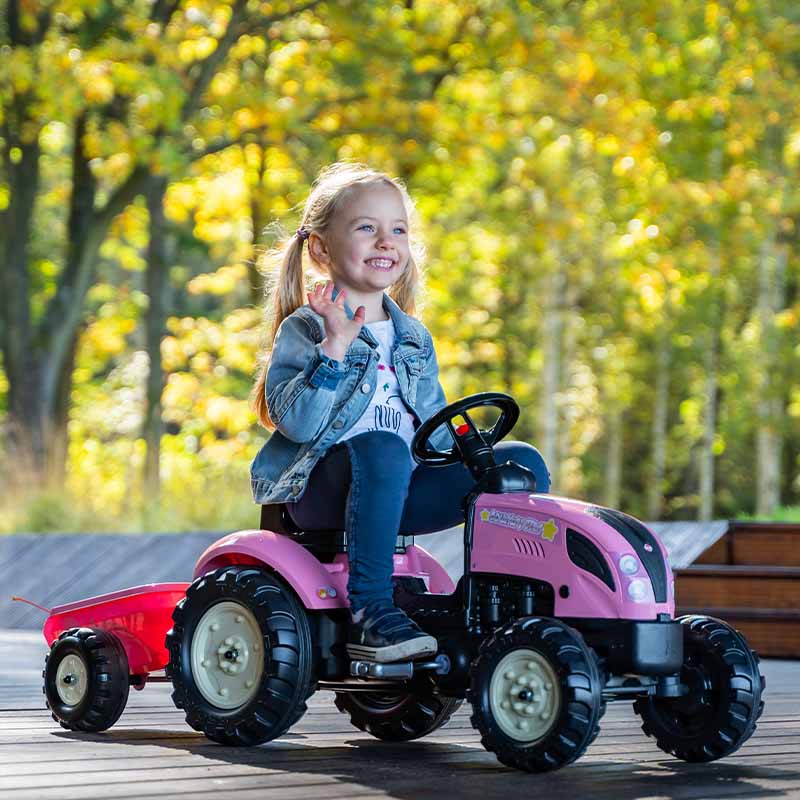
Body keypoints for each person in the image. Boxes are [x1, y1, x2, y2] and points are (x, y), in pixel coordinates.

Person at [250, 162, 551, 663]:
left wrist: (467, 453)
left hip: (398, 487)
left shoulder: (413, 336)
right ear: (322, 249)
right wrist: (335, 350)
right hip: (320, 494)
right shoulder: (306, 329)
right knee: (384, 447)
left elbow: (431, 428)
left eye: (398, 230)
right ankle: (370, 609)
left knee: (519, 465)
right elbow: (298, 424)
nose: (386, 241)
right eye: (367, 228)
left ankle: (491, 606)